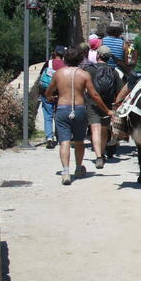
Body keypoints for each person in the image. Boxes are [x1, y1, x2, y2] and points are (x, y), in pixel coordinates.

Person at [44, 47, 112, 186]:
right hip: (80, 109)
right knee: (79, 141)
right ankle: (78, 168)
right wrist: (107, 110)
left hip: (62, 109)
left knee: (64, 141)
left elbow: (48, 92)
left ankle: (65, 171)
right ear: (80, 60)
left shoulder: (58, 74)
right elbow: (94, 95)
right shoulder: (84, 74)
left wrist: (51, 97)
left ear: (64, 59)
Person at [39, 46, 65, 149]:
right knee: (59, 115)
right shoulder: (65, 65)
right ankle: (59, 137)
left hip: (47, 91)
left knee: (48, 115)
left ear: (54, 53)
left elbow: (41, 75)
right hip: (60, 93)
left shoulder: (48, 63)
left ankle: (49, 138)